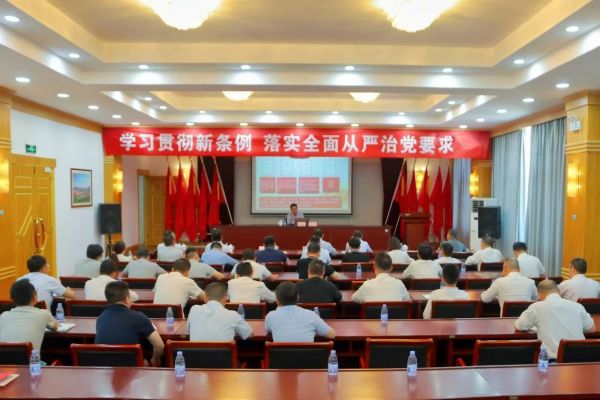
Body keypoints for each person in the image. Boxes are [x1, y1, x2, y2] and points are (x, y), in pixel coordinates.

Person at [515, 279, 595, 360]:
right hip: (580, 359)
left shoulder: (537, 307)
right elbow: (591, 329)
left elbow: (519, 326)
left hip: (552, 362)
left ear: (539, 295)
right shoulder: (577, 306)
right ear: (558, 292)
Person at [95, 281, 164, 367]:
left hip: (104, 368)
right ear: (127, 299)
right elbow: (160, 345)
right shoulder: (138, 317)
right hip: (131, 369)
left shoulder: (100, 318)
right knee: (146, 362)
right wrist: (154, 359)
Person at [0, 279, 59, 352]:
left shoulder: (3, 316)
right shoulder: (43, 314)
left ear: (12, 299)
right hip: (30, 359)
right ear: (35, 297)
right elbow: (56, 327)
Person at [265, 282, 335, 342]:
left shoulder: (270, 316)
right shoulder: (311, 315)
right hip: (308, 354)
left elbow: (268, 330)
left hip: (281, 354)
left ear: (276, 300)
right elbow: (332, 335)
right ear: (297, 298)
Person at [187, 282, 253, 341]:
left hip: (196, 351)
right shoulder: (233, 315)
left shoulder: (194, 310)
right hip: (223, 352)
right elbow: (249, 334)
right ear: (225, 298)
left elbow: (188, 331)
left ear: (205, 297)